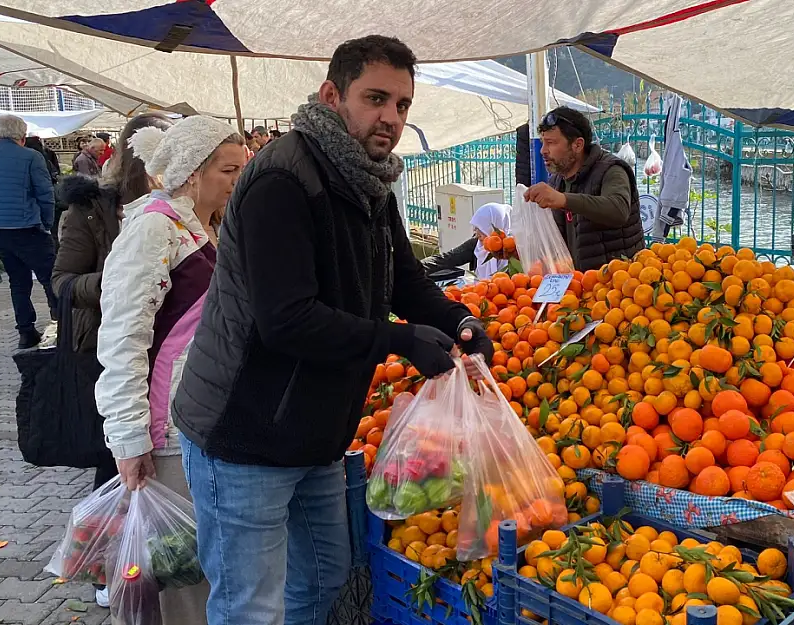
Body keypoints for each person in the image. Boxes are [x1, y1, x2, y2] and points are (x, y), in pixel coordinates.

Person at [170, 35, 494, 625]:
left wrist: (457, 320)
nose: (390, 119)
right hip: (244, 432)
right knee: (250, 607)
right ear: (332, 96)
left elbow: (402, 277)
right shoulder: (281, 180)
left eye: (402, 105)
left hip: (316, 433)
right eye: (376, 98)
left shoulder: (369, 180)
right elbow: (286, 320)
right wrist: (401, 341)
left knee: (322, 578)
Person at [95, 115, 245, 624]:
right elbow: (122, 337)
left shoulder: (207, 227)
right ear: (192, 171)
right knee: (179, 573)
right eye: (228, 170)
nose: (236, 181)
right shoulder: (153, 228)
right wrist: (129, 439)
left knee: (201, 567)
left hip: (206, 421)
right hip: (167, 431)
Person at [52, 111, 174, 608]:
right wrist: (115, 282)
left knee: (153, 465)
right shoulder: (90, 209)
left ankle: (150, 563)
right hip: (105, 347)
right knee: (115, 459)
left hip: (165, 350)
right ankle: (107, 569)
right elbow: (60, 281)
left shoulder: (182, 209)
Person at [523, 106, 644, 270]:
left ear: (577, 145)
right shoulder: (557, 180)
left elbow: (618, 209)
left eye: (551, 143)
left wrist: (563, 200)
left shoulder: (612, 170)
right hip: (578, 285)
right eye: (543, 142)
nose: (543, 150)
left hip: (619, 284)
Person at [0, 114, 57, 349]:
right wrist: (47, 224)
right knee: (51, 278)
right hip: (28, 227)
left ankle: (26, 332)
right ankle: (62, 326)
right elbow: (45, 194)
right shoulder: (31, 156)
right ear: (22, 135)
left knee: (18, 283)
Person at [421, 202, 511, 278]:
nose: (475, 230)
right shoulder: (476, 244)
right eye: (475, 226)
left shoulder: (513, 250)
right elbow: (447, 259)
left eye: (480, 227)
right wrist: (416, 268)